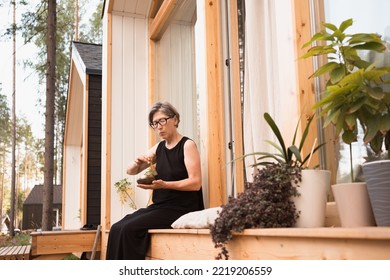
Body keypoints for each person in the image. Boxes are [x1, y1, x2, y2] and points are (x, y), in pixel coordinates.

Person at [106, 101, 204, 260]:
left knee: (129, 228)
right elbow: (130, 171)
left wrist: (164, 185)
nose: (158, 126)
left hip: (181, 207)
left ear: (176, 119)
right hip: (160, 207)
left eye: (162, 121)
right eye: (154, 123)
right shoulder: (159, 148)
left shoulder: (187, 145)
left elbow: (195, 183)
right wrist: (137, 162)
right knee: (117, 227)